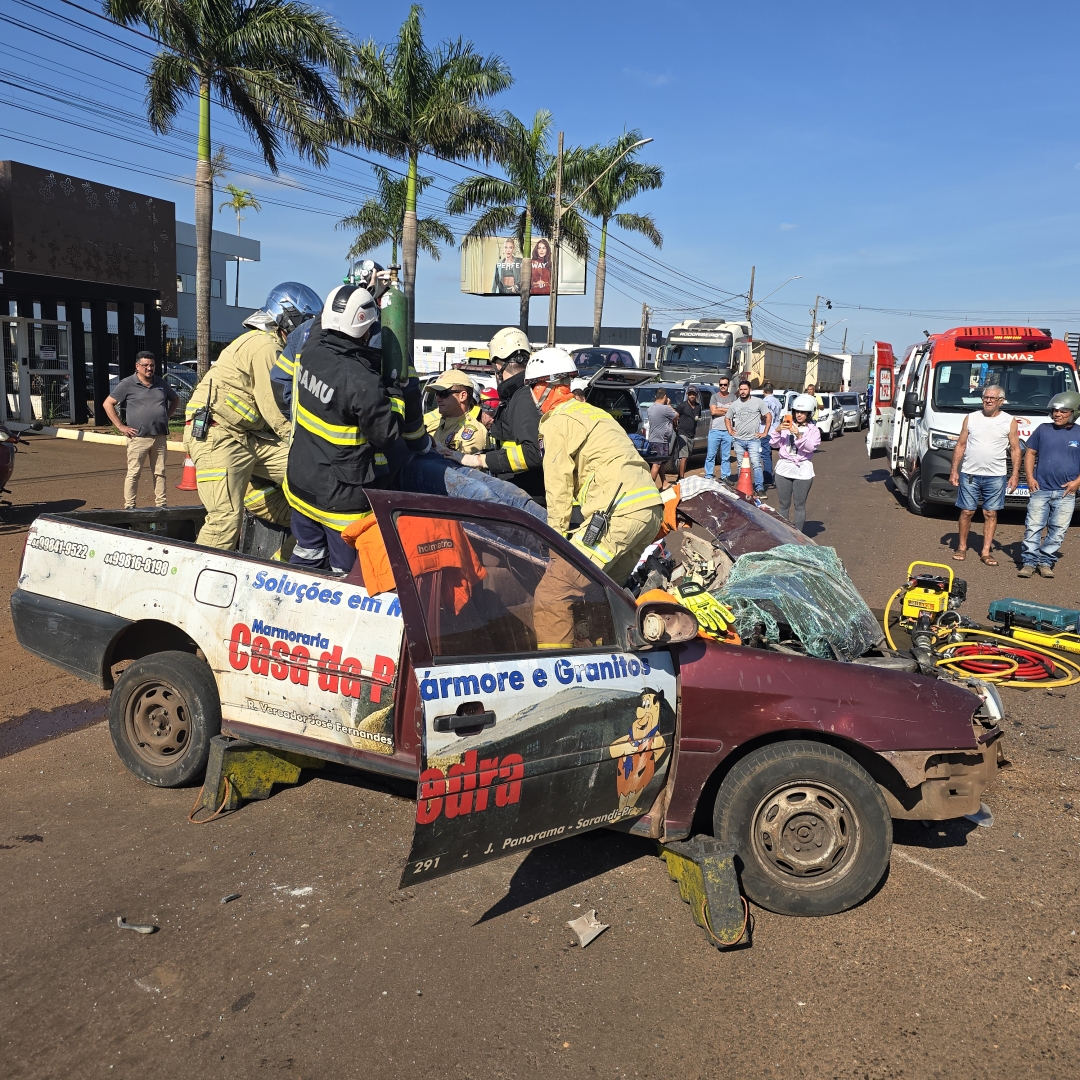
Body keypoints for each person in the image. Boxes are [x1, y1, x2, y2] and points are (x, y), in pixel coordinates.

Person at [526, 348, 664, 648]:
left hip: (617, 516)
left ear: (546, 385)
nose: (532, 395)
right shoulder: (591, 412)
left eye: (533, 386)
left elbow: (558, 485)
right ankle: (608, 655)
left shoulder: (555, 421)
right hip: (648, 510)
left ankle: (557, 674)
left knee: (554, 593)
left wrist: (556, 542)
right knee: (600, 593)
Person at [284, 284, 425, 573]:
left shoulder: (311, 349)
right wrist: (395, 396)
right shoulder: (362, 382)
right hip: (340, 498)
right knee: (347, 576)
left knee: (307, 556)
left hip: (301, 481)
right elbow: (386, 434)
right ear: (367, 328)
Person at [184, 281, 322, 549]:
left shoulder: (277, 348)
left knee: (312, 474)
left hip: (249, 438)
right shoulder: (264, 346)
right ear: (287, 319)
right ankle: (195, 587)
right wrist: (310, 444)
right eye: (305, 323)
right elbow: (277, 409)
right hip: (218, 434)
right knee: (224, 521)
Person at [459, 327, 546, 501]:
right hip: (523, 490)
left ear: (499, 366)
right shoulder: (521, 394)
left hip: (529, 495)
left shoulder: (523, 398)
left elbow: (533, 453)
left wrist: (482, 460)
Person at [948, 384, 1020, 565]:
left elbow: (1015, 449)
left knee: (990, 513)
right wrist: (954, 470)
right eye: (985, 397)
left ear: (1001, 401)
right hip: (970, 473)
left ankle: (986, 552)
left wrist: (1015, 474)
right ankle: (962, 547)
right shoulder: (971, 418)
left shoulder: (1009, 421)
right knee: (966, 511)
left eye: (992, 398)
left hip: (996, 475)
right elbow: (961, 445)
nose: (988, 401)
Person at [103, 350, 179, 510]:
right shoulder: (127, 384)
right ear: (137, 366)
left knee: (160, 472)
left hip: (159, 436)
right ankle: (130, 506)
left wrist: (167, 416)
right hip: (138, 437)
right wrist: (120, 426)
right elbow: (107, 403)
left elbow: (175, 398)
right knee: (134, 473)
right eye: (145, 365)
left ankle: (162, 505)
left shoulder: (161, 383)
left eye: (152, 365)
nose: (149, 368)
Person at [1017, 391, 1080, 578]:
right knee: (1033, 525)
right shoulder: (1043, 429)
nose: (1057, 414)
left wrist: (1077, 483)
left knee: (1058, 530)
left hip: (1066, 492)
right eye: (1055, 411)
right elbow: (1030, 453)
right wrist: (1029, 477)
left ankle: (1045, 562)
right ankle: (1029, 562)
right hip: (1040, 489)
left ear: (1075, 412)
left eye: (1063, 411)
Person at [771, 393, 821, 532]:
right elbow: (774, 444)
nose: (799, 415)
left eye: (803, 412)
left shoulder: (814, 430)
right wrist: (777, 430)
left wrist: (798, 435)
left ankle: (798, 536)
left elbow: (811, 447)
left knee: (799, 505)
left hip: (802, 469)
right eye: (797, 411)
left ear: (809, 414)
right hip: (784, 468)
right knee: (783, 504)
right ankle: (784, 534)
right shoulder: (786, 426)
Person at [424, 370, 489, 455]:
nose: (438, 398)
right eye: (436, 393)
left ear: (462, 396)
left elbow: (455, 466)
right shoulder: (437, 424)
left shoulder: (474, 432)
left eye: (443, 393)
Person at [725, 377, 771, 494]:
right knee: (741, 465)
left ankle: (759, 488)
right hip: (738, 440)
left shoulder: (758, 402)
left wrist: (765, 432)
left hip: (754, 439)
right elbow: (727, 418)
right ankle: (743, 488)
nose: (743, 392)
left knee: (756, 463)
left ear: (750, 389)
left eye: (745, 389)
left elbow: (768, 416)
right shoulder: (735, 404)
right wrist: (730, 430)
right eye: (741, 389)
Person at [704, 375, 735, 480]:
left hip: (727, 431)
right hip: (714, 430)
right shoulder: (714, 397)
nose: (723, 386)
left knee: (726, 456)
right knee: (710, 455)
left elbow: (734, 412)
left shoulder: (733, 397)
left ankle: (725, 476)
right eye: (721, 385)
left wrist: (719, 409)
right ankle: (708, 475)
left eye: (725, 385)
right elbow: (713, 411)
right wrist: (728, 410)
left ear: (728, 385)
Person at [646, 388, 678, 489]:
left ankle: (664, 482)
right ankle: (649, 488)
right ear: (665, 396)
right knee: (657, 464)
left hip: (652, 439)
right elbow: (677, 416)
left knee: (661, 462)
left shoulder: (650, 408)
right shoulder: (665, 408)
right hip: (661, 440)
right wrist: (668, 404)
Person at [670, 385, 701, 481]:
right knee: (684, 456)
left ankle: (679, 476)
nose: (692, 396)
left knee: (687, 457)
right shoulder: (682, 406)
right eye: (690, 394)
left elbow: (697, 419)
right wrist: (676, 427)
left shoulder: (698, 407)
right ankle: (682, 479)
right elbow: (675, 417)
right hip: (682, 433)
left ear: (696, 395)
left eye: (693, 394)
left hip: (691, 435)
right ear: (687, 395)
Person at [760, 381, 782, 487]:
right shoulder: (778, 402)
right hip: (775, 431)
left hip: (766, 430)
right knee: (769, 454)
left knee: (765, 455)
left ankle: (767, 478)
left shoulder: (764, 402)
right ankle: (771, 476)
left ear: (763, 391)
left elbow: (765, 417)